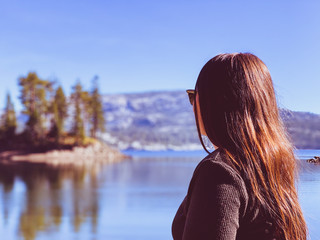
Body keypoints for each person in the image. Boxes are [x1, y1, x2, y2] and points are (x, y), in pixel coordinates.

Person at [172, 53, 307, 240]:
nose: (193, 106)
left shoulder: (220, 172)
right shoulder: (274, 165)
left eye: (194, 96)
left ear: (217, 101)